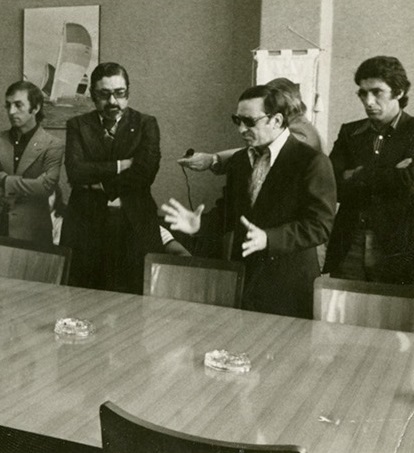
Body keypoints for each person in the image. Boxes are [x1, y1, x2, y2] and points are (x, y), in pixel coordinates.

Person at [163, 85, 336, 319]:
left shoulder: (312, 161)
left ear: (276, 120)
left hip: (288, 288)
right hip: (245, 283)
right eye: (237, 120)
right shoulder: (240, 160)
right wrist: (200, 225)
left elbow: (320, 226)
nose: (241, 129)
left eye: (249, 122)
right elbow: (228, 213)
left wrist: (269, 239)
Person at [60, 62, 163, 293]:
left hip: (134, 226)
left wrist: (100, 184)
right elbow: (75, 171)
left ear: (128, 92)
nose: (113, 101)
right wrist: (120, 165)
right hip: (85, 228)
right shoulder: (77, 125)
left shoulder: (146, 124)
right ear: (92, 95)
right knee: (81, 298)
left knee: (135, 301)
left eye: (119, 93)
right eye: (104, 94)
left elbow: (145, 173)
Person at [324, 56, 414, 284]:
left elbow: (409, 184)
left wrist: (356, 174)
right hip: (348, 243)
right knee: (341, 303)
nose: (368, 101)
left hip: (397, 246)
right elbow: (331, 185)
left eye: (377, 92)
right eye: (363, 93)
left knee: (391, 306)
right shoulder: (350, 132)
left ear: (399, 92)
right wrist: (392, 173)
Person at [0, 80, 63, 271]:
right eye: (8, 105)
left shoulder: (52, 144)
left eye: (18, 105)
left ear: (35, 108)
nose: (11, 111)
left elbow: (45, 187)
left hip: (32, 231)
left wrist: (5, 180)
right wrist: (16, 193)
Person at [178, 77, 323, 173]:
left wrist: (213, 160)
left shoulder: (301, 133)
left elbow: (265, 153)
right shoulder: (298, 124)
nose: (241, 129)